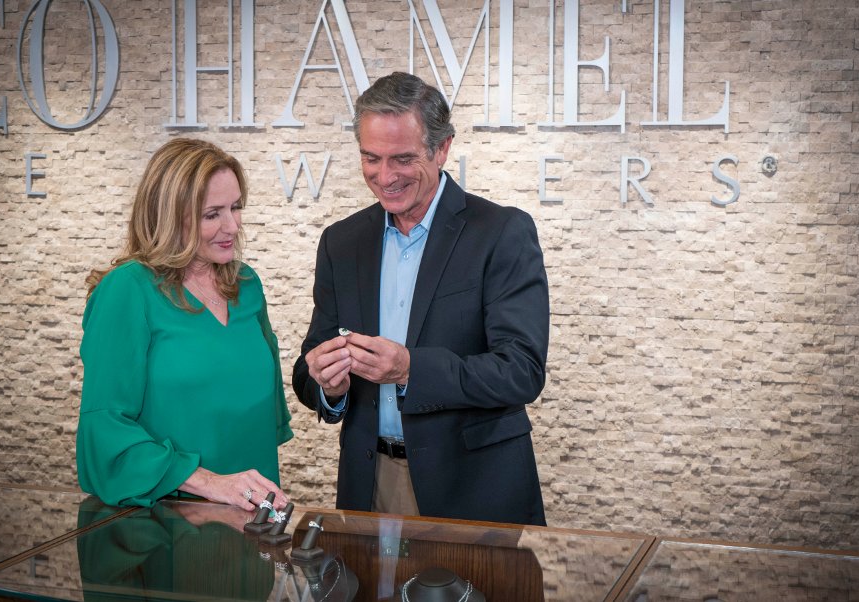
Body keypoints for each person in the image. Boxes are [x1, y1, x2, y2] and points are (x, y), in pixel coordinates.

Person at [292, 72, 549, 526]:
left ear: (442, 147)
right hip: (368, 484)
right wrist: (328, 387)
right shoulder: (341, 241)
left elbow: (521, 371)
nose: (384, 176)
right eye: (371, 158)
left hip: (474, 489)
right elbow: (309, 368)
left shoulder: (501, 232)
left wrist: (410, 368)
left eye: (402, 159)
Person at [76, 138, 292, 511]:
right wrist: (211, 483)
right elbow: (104, 432)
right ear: (169, 215)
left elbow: (258, 423)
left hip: (252, 521)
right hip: (171, 524)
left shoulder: (247, 285)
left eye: (236, 207)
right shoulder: (127, 290)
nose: (232, 225)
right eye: (213, 214)